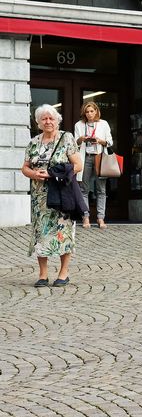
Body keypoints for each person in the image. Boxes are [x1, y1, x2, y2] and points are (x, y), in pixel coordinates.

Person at [21, 104, 84, 287]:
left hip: (62, 195)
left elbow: (78, 166)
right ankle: (43, 274)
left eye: (51, 118)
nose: (48, 121)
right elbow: (24, 167)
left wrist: (54, 174)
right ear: (38, 122)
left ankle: (63, 273)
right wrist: (33, 174)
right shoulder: (33, 142)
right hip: (39, 198)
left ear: (57, 121)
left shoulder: (66, 138)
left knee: (63, 233)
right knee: (41, 233)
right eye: (44, 119)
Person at [74, 102, 114, 228]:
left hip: (99, 157)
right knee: (83, 189)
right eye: (87, 111)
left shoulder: (103, 124)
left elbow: (110, 142)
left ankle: (100, 218)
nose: (90, 114)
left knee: (101, 190)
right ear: (84, 113)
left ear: (96, 111)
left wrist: (100, 141)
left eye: (92, 111)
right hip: (85, 158)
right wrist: (82, 139)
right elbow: (75, 143)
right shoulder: (79, 125)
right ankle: (85, 217)